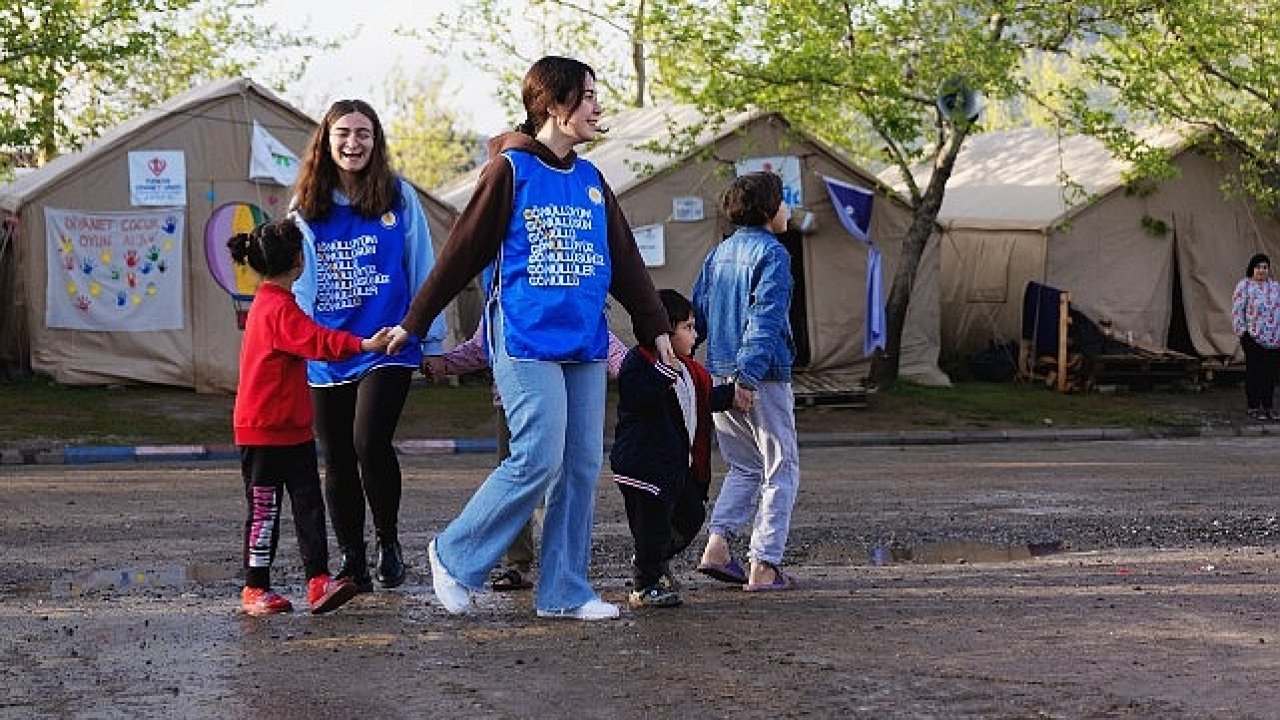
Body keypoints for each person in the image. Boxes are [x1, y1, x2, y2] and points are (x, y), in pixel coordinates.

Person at [387, 55, 674, 621]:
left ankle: (564, 590)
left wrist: (655, 327)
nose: (597, 106)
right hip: (524, 340)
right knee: (538, 457)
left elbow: (625, 261)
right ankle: (454, 554)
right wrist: (415, 323)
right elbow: (461, 252)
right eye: (587, 95)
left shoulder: (592, 181)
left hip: (585, 343)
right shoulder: (510, 171)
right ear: (554, 103)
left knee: (581, 466)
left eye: (596, 95)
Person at [290, 99, 447, 592]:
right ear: (326, 139)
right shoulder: (305, 208)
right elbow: (299, 285)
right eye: (344, 133)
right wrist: (298, 341)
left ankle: (388, 541)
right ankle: (352, 559)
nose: (353, 143)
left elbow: (425, 267)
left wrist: (431, 336)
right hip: (330, 348)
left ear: (376, 141)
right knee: (335, 455)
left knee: (368, 442)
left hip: (390, 342)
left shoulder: (398, 198)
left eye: (364, 133)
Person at [227, 219, 392, 616]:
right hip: (265, 432)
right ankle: (255, 588)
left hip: (290, 430)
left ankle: (317, 580)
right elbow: (318, 341)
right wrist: (365, 344)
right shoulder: (277, 309)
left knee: (307, 507)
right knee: (267, 510)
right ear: (299, 261)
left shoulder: (270, 305)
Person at [441, 319, 627, 592]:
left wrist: (631, 366)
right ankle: (517, 563)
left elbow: (601, 339)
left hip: (562, 406)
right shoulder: (504, 300)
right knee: (521, 480)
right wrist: (442, 363)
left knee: (562, 479)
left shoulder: (573, 295)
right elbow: (481, 347)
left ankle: (562, 574)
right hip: (511, 404)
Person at [693, 171, 801, 592]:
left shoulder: (718, 254)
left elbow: (697, 315)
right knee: (780, 467)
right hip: (762, 378)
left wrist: (702, 374)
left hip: (720, 374)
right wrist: (749, 377)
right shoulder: (774, 254)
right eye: (783, 201)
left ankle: (717, 548)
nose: (788, 209)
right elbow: (765, 320)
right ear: (768, 210)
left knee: (743, 465)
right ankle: (765, 565)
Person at [611, 289, 736, 608]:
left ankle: (650, 559)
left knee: (691, 514)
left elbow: (700, 399)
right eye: (688, 328)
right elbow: (638, 397)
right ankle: (645, 583)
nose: (695, 335)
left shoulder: (687, 371)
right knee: (652, 525)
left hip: (673, 468)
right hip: (643, 468)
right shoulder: (640, 363)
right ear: (665, 332)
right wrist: (664, 371)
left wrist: (733, 396)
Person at [1231, 253, 1280, 420]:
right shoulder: (1244, 286)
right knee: (1254, 372)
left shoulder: (1275, 287)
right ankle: (1253, 406)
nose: (1262, 270)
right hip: (1253, 336)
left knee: (1270, 374)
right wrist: (1243, 334)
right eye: (1258, 267)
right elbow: (1238, 311)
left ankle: (1268, 406)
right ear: (1252, 268)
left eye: (1265, 267)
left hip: (1274, 338)